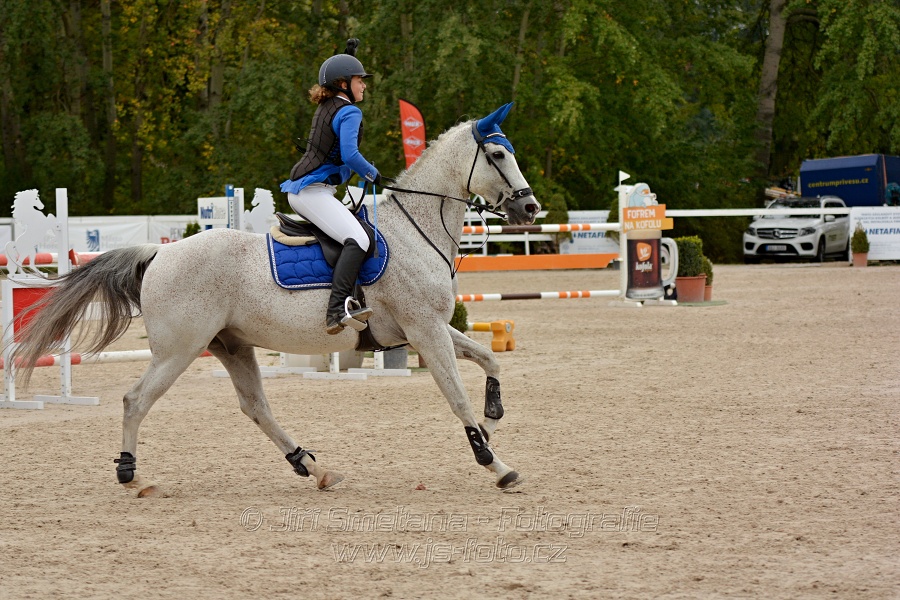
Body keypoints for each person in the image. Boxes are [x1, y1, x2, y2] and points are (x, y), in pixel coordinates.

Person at [281, 39, 380, 335]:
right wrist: (372, 172)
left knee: (354, 235)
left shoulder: (330, 105)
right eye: (359, 80)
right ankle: (336, 310)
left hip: (310, 189)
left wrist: (348, 59)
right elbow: (350, 155)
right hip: (311, 191)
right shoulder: (350, 112)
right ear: (343, 84)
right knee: (359, 240)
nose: (364, 86)